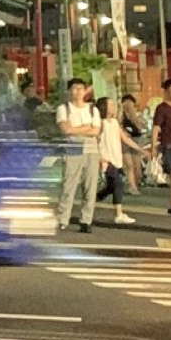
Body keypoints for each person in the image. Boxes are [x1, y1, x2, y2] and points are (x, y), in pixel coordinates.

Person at [55, 79, 102, 232]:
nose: (78, 91)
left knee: (90, 186)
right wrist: (86, 128)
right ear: (69, 91)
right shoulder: (63, 109)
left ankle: (86, 220)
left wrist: (76, 129)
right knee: (69, 184)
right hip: (73, 149)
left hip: (91, 149)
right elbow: (65, 130)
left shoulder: (93, 109)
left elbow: (96, 131)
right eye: (75, 88)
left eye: (81, 88)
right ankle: (63, 218)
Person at [95, 96, 132, 228]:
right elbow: (96, 141)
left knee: (111, 186)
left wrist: (141, 150)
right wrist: (99, 157)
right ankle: (119, 214)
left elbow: (125, 139)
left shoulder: (114, 123)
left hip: (116, 159)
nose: (114, 107)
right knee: (118, 183)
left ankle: (93, 198)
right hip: (106, 159)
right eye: (111, 105)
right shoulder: (100, 123)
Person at [154, 80, 171, 216]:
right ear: (167, 92)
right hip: (169, 145)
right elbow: (156, 127)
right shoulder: (161, 108)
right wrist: (153, 147)